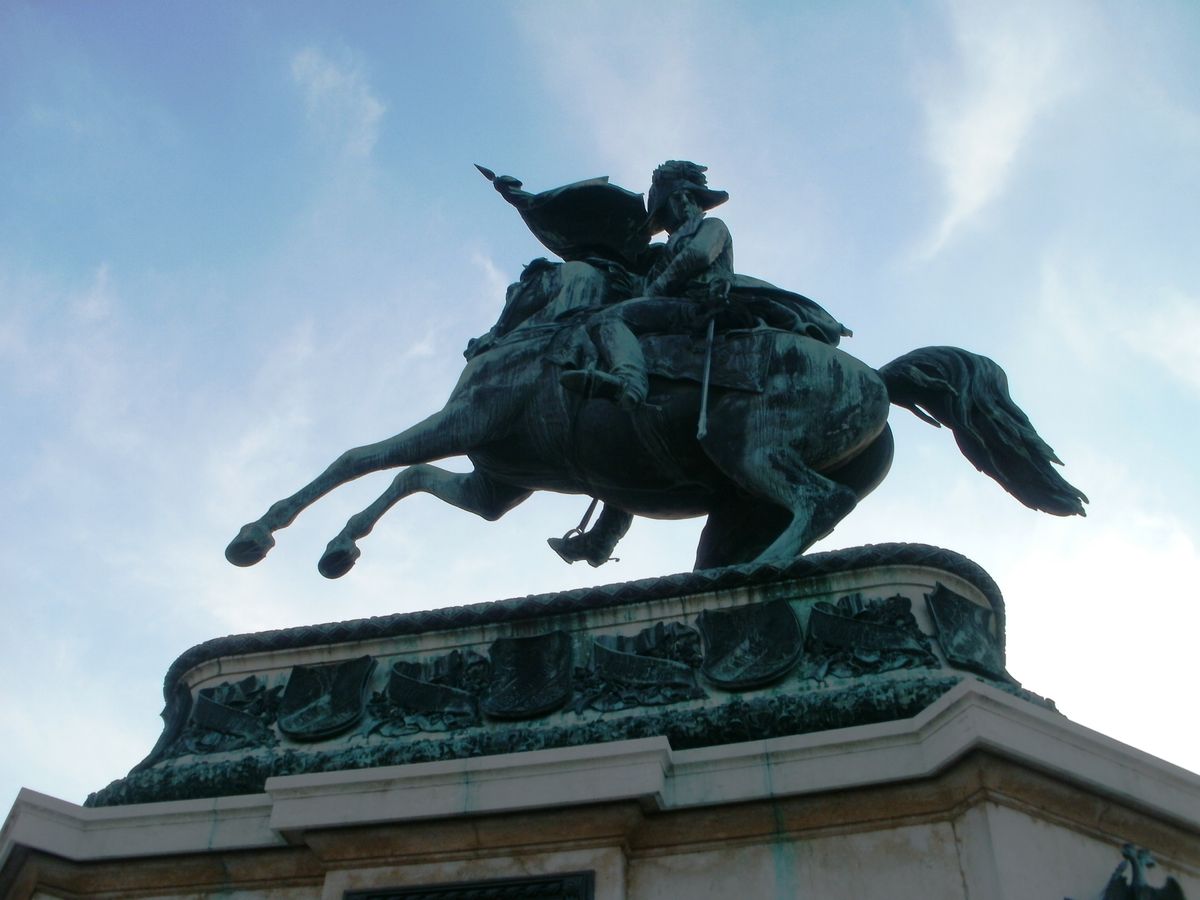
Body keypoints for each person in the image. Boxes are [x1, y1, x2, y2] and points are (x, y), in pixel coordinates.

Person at [559, 160, 736, 409]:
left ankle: (630, 381)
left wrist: (657, 287)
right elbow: (645, 286)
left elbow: (699, 255)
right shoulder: (666, 251)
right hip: (674, 305)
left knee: (607, 320)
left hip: (699, 303)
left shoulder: (712, 226)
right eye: (673, 202)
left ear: (692, 199)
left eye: (687, 197)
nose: (681, 205)